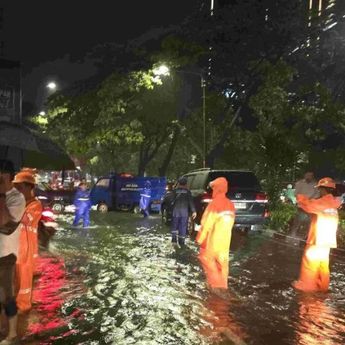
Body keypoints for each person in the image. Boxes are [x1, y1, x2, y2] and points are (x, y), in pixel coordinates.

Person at [292, 177, 341, 292]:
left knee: (310, 264)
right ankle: (321, 286)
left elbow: (308, 205)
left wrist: (300, 197)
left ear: (323, 189)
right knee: (322, 265)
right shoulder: (333, 203)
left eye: (320, 189)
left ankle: (306, 287)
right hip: (327, 240)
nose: (319, 192)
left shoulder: (324, 202)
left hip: (317, 239)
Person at [0, 160, 25, 344]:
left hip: (6, 255)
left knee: (8, 297)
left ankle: (12, 334)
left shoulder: (17, 198)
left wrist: (1, 195)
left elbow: (5, 225)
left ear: (8, 176)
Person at [196, 177, 235, 290]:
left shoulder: (213, 204)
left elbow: (206, 225)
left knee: (207, 261)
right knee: (223, 266)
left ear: (216, 189)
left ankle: (216, 290)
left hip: (212, 242)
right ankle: (223, 286)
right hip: (225, 242)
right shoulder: (230, 204)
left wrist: (199, 240)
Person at [12, 168, 42, 313]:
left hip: (26, 248)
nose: (16, 189)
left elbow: (24, 219)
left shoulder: (35, 205)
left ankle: (24, 306)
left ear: (29, 187)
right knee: (15, 277)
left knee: (24, 278)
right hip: (14, 245)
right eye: (15, 186)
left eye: (19, 186)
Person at [290, 171, 319, 240]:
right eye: (308, 175)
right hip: (301, 206)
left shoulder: (315, 184)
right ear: (305, 175)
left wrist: (310, 199)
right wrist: (303, 199)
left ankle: (305, 236)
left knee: (309, 223)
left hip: (310, 207)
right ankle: (293, 234)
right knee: (297, 221)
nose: (309, 177)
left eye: (311, 175)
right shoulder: (300, 183)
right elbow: (296, 194)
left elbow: (317, 194)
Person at [170, 177, 196, 248]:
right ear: (186, 184)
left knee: (174, 226)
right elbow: (191, 202)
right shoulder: (188, 192)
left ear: (179, 183)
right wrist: (194, 211)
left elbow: (171, 201)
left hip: (175, 212)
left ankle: (174, 241)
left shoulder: (174, 191)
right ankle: (182, 242)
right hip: (184, 213)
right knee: (183, 227)